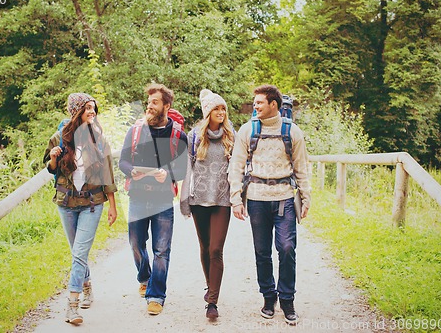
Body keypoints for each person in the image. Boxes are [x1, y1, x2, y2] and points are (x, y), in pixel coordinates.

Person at [228, 85, 311, 325]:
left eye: (260, 103)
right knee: (262, 252)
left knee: (286, 248)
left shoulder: (292, 132)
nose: (255, 106)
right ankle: (268, 296)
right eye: (255, 102)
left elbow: (301, 167)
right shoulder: (247, 131)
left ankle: (287, 299)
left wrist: (306, 198)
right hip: (256, 199)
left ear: (273, 104)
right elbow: (236, 166)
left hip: (284, 197)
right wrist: (236, 199)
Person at [43, 92, 118, 325]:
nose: (92, 112)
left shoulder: (99, 139)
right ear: (76, 112)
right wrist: (54, 158)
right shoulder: (59, 137)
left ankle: (72, 307)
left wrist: (113, 206)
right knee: (77, 253)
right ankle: (87, 287)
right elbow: (50, 168)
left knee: (79, 254)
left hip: (92, 204)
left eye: (94, 108)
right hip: (66, 204)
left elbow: (107, 173)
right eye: (87, 108)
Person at [119, 83, 188, 315]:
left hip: (163, 199)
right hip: (137, 196)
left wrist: (167, 174)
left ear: (166, 106)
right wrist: (132, 171)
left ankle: (156, 296)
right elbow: (123, 162)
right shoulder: (136, 131)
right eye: (148, 102)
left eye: (154, 102)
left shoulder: (178, 135)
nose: (149, 106)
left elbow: (182, 169)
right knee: (136, 244)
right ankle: (144, 277)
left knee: (162, 250)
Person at [180, 89, 234, 319]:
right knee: (204, 248)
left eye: (223, 108)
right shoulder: (194, 137)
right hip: (199, 200)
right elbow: (187, 170)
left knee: (216, 249)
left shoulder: (232, 136)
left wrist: (240, 197)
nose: (221, 112)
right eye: (216, 108)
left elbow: (241, 168)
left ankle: (212, 303)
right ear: (207, 112)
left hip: (222, 199)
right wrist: (184, 200)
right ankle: (209, 284)